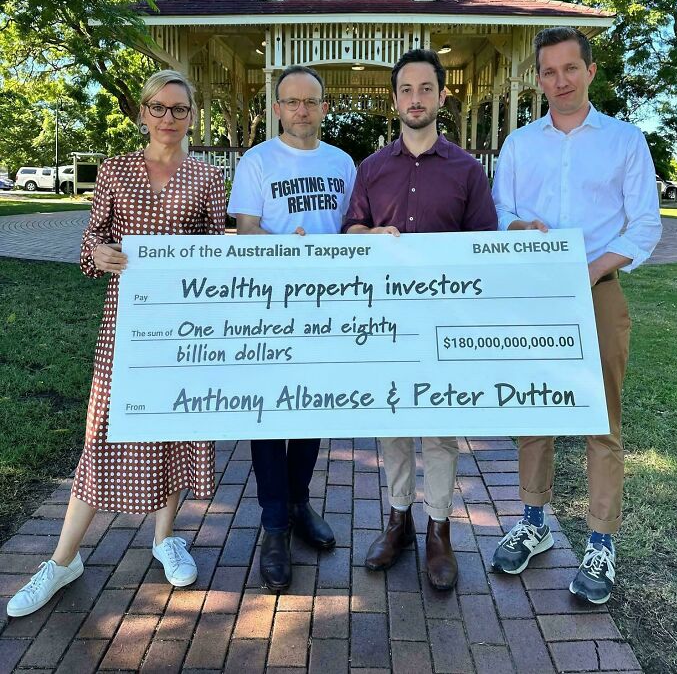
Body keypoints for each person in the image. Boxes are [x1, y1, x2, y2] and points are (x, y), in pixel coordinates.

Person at [7, 70, 226, 618]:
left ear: (192, 116)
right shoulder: (116, 170)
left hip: (183, 325)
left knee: (175, 422)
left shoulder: (206, 177)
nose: (168, 118)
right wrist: (101, 254)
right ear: (143, 112)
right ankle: (63, 560)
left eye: (179, 109)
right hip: (126, 321)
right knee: (105, 430)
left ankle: (166, 537)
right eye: (159, 107)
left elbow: (215, 250)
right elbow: (93, 240)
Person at [489, 26, 662, 605]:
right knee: (534, 412)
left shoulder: (624, 141)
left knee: (600, 418)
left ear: (590, 71)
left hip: (598, 287)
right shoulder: (519, 145)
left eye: (570, 68)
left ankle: (600, 541)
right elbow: (500, 210)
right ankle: (534, 522)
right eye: (548, 72)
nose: (559, 81)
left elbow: (645, 225)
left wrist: (589, 270)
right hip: (535, 295)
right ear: (537, 79)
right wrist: (515, 227)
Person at [343, 48, 498, 591]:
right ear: (394, 99)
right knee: (393, 427)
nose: (416, 98)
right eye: (406, 89)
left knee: (438, 430)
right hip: (385, 321)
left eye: (426, 88)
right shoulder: (371, 169)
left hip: (444, 324)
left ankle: (439, 530)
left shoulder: (467, 170)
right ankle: (398, 520)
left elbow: (484, 246)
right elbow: (350, 233)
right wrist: (369, 236)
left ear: (441, 96)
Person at [228, 64, 356, 592]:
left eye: (311, 101)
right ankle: (274, 524)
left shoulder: (345, 163)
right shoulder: (256, 162)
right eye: (291, 101)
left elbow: (354, 227)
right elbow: (246, 229)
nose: (301, 110)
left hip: (328, 309)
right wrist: (284, 248)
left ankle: (299, 504)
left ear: (325, 107)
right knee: (267, 418)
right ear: (277, 108)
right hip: (271, 306)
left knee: (312, 411)